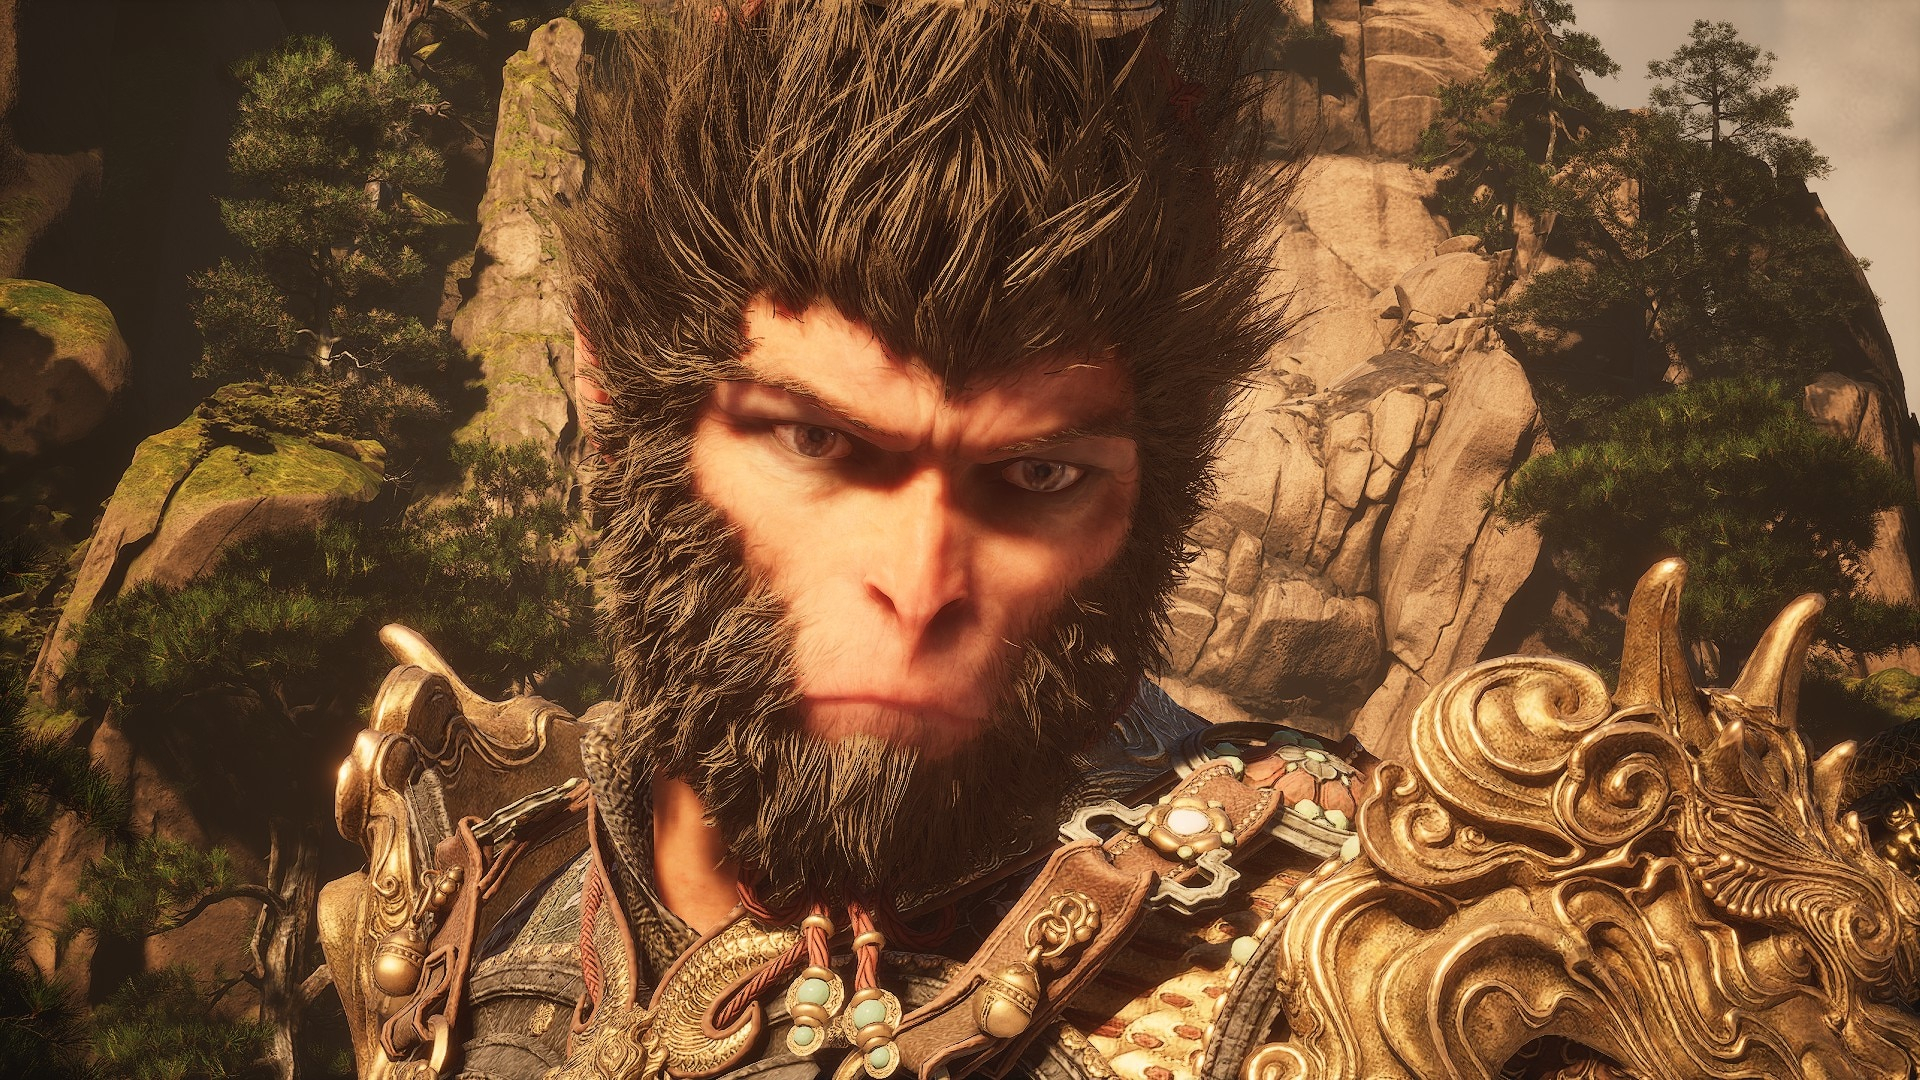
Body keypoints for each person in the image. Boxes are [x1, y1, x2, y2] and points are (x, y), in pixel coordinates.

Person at [321, 2, 1377, 1077]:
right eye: (815, 440)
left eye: (1039, 475)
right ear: (609, 396)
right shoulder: (475, 895)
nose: (920, 585)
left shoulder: (1337, 946)